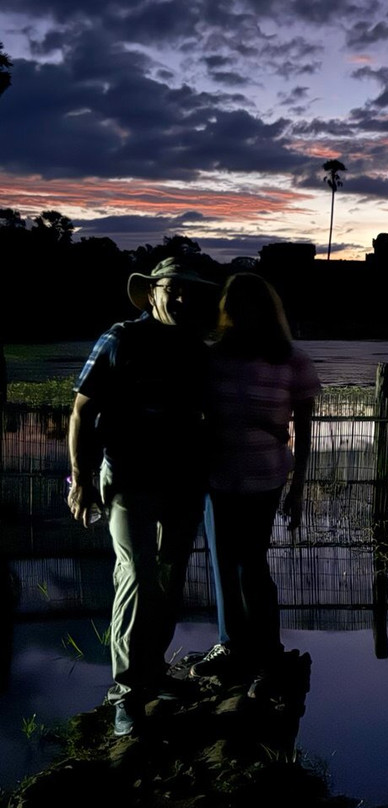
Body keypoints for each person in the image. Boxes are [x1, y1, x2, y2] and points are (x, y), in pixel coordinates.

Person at [67, 256, 218, 737]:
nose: (181, 298)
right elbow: (80, 412)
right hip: (129, 477)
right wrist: (82, 478)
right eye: (173, 289)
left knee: (171, 574)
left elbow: (207, 414)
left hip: (184, 480)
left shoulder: (196, 347)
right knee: (136, 573)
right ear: (152, 292)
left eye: (189, 292)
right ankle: (127, 690)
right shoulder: (121, 339)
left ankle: (153, 672)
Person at [188, 273, 320, 698]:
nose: (243, 313)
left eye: (252, 305)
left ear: (267, 310)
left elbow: (304, 428)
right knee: (224, 563)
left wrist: (298, 488)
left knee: (251, 565)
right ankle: (231, 647)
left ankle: (267, 655)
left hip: (265, 477)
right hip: (217, 475)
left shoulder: (292, 361)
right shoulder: (213, 359)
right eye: (235, 305)